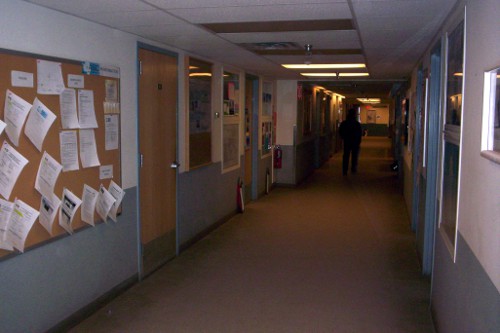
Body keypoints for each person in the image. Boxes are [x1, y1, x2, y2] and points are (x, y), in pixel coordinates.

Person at [339, 108, 362, 175]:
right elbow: (359, 133)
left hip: (347, 141)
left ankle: (345, 170)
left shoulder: (344, 123)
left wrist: (343, 138)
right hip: (355, 142)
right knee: (354, 156)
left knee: (346, 156)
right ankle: (353, 168)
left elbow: (340, 131)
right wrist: (358, 141)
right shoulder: (357, 124)